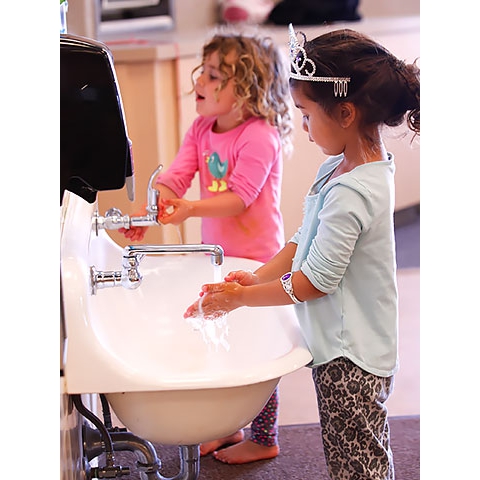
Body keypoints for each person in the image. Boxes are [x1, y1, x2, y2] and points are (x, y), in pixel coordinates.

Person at [185, 25, 420, 479]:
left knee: (359, 463)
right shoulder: (338, 167)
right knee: (349, 451)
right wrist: (256, 277)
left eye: (307, 114)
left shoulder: (356, 190)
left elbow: (315, 281)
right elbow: (302, 240)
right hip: (338, 344)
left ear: (346, 113)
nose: (304, 128)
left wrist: (239, 299)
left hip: (354, 357)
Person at [120, 30, 294, 464]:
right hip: (218, 256)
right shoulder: (201, 129)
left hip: (258, 261)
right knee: (223, 335)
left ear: (247, 90)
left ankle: (264, 435)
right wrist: (156, 204)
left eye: (214, 74)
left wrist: (189, 208)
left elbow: (241, 197)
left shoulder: (260, 136)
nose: (200, 80)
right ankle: (229, 426)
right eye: (203, 70)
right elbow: (176, 176)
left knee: (258, 345)